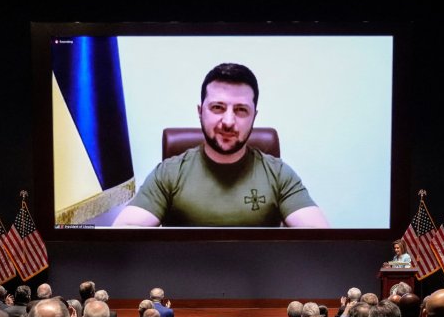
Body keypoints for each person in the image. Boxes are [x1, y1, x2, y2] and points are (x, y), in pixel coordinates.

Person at [111, 63, 329, 228]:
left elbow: (320, 238)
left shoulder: (279, 174)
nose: (228, 121)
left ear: (254, 116)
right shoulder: (169, 173)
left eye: (241, 110)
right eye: (217, 107)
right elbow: (125, 233)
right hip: (185, 283)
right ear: (200, 112)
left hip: (257, 285)